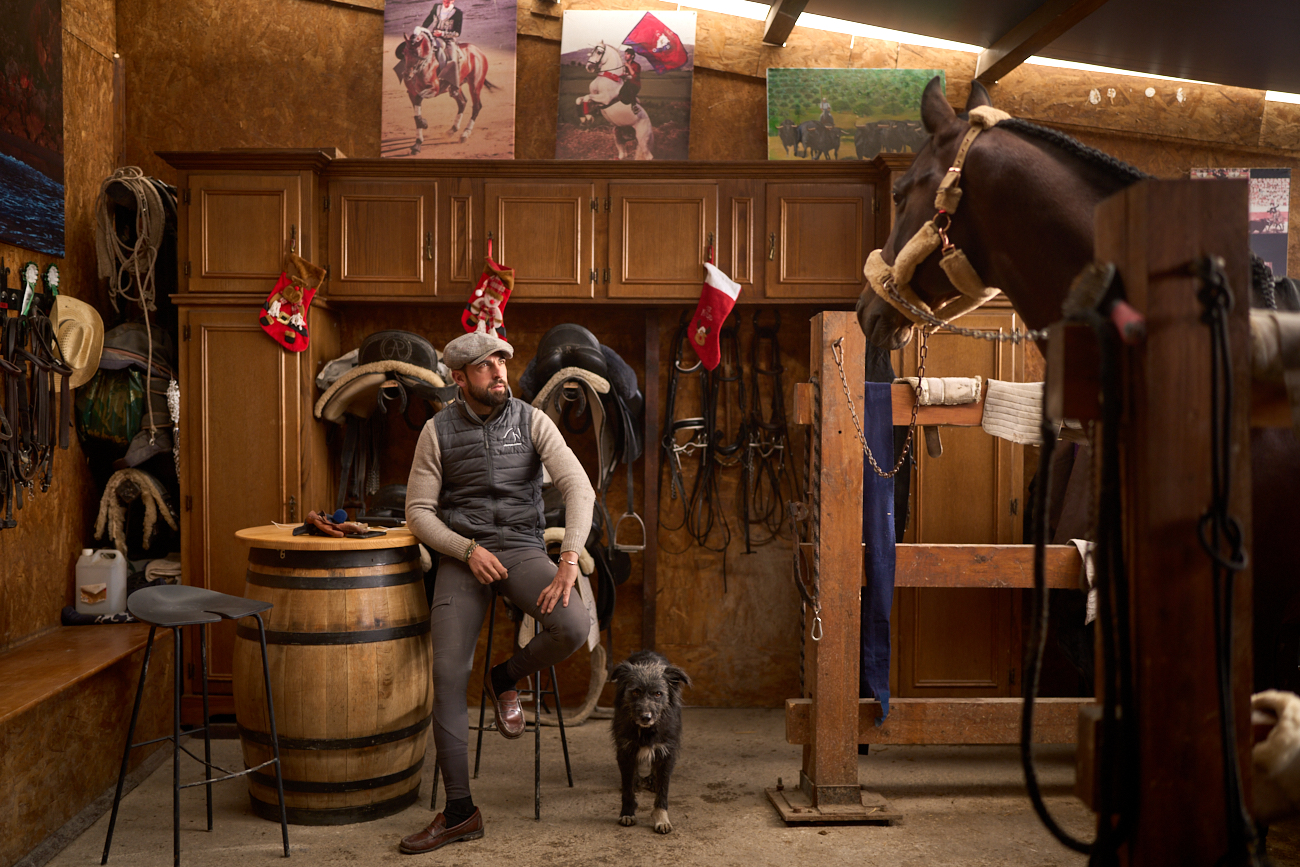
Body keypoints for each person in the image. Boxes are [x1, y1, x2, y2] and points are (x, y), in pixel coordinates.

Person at [399, 328, 595, 855]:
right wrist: (464, 551)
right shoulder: (437, 432)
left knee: (573, 624)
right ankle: (460, 811)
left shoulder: (533, 421)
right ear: (460, 378)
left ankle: (505, 677)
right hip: (465, 556)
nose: (500, 373)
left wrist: (569, 559)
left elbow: (578, 487)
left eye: (503, 362)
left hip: (524, 550)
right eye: (486, 366)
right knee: (446, 673)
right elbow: (417, 511)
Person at [423, 0, 463, 85]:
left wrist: (442, 33)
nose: (446, 3)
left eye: (448, 1)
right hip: (433, 36)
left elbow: (457, 33)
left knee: (453, 60)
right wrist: (421, 29)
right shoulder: (436, 7)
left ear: (453, 0)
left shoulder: (458, 13)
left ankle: (454, 86)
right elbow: (429, 19)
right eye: (445, 1)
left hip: (448, 40)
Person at [615, 48, 644, 115]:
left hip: (634, 85)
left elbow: (635, 76)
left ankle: (634, 106)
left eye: (627, 54)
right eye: (625, 54)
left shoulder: (636, 65)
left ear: (632, 56)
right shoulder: (624, 65)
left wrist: (629, 66)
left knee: (630, 86)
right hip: (626, 85)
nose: (625, 56)